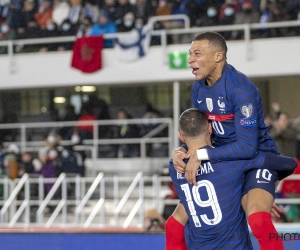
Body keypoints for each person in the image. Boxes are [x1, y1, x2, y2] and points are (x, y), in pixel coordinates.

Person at [168, 31, 297, 250]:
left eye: (197, 53)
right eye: (190, 53)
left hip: (254, 159)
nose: (190, 59)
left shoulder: (241, 90)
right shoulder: (198, 88)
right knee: (173, 225)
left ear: (218, 56)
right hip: (223, 161)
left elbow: (247, 148)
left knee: (258, 221)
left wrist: (200, 154)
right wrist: (182, 150)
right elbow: (201, 131)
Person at [169, 108, 296, 249]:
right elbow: (289, 164)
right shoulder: (230, 161)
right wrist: (257, 190)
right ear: (210, 129)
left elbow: (214, 187)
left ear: (181, 137)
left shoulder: (174, 166)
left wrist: (179, 151)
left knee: (174, 221)